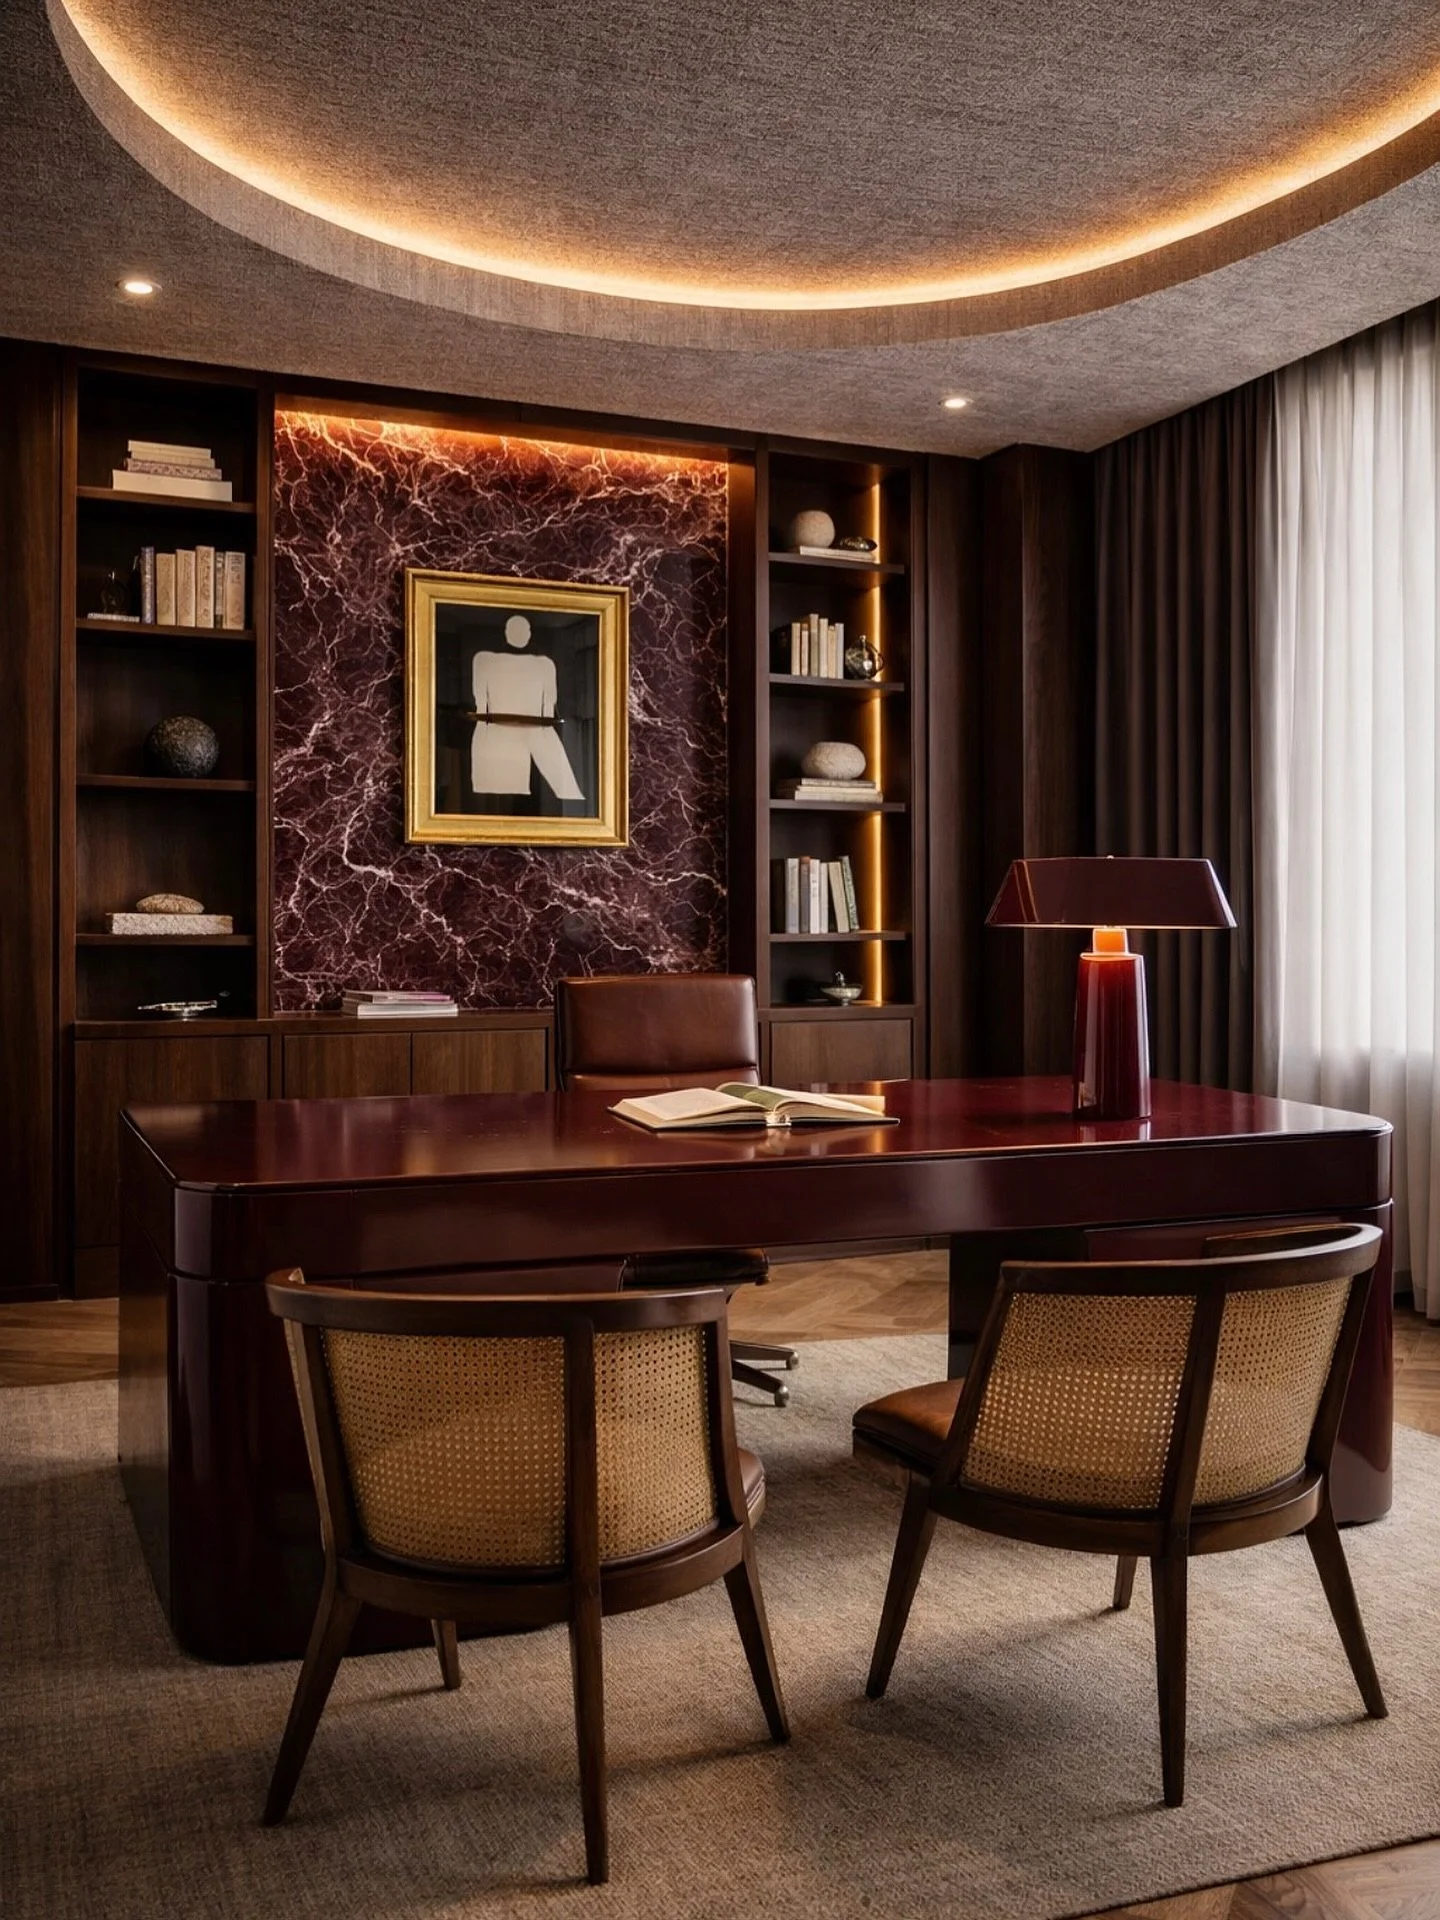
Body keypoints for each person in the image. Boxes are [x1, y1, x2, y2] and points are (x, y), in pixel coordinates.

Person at [469, 613, 584, 802]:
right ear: (506, 633)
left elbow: (548, 709)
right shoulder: (484, 660)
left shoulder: (544, 665)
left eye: (525, 630)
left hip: (519, 733)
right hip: (497, 737)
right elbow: (481, 705)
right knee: (497, 797)